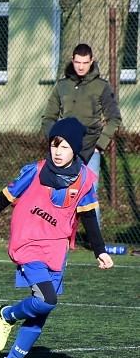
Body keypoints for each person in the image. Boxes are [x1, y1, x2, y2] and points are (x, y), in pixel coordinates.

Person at [0, 117, 113, 358]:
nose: (57, 151)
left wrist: (99, 250)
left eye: (65, 147)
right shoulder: (34, 172)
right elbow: (3, 198)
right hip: (28, 245)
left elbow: (90, 219)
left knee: (43, 310)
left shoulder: (84, 181)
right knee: (47, 299)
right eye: (55, 145)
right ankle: (7, 314)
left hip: (56, 251)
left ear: (75, 150)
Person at [41, 43, 121, 226]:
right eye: (78, 62)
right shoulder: (62, 86)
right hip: (65, 148)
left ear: (91, 61)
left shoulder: (101, 86)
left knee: (89, 192)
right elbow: (48, 118)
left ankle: (96, 240)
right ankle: (57, 232)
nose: (81, 66)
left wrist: (99, 146)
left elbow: (114, 118)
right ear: (72, 60)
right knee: (58, 190)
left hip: (90, 148)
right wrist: (54, 143)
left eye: (85, 62)